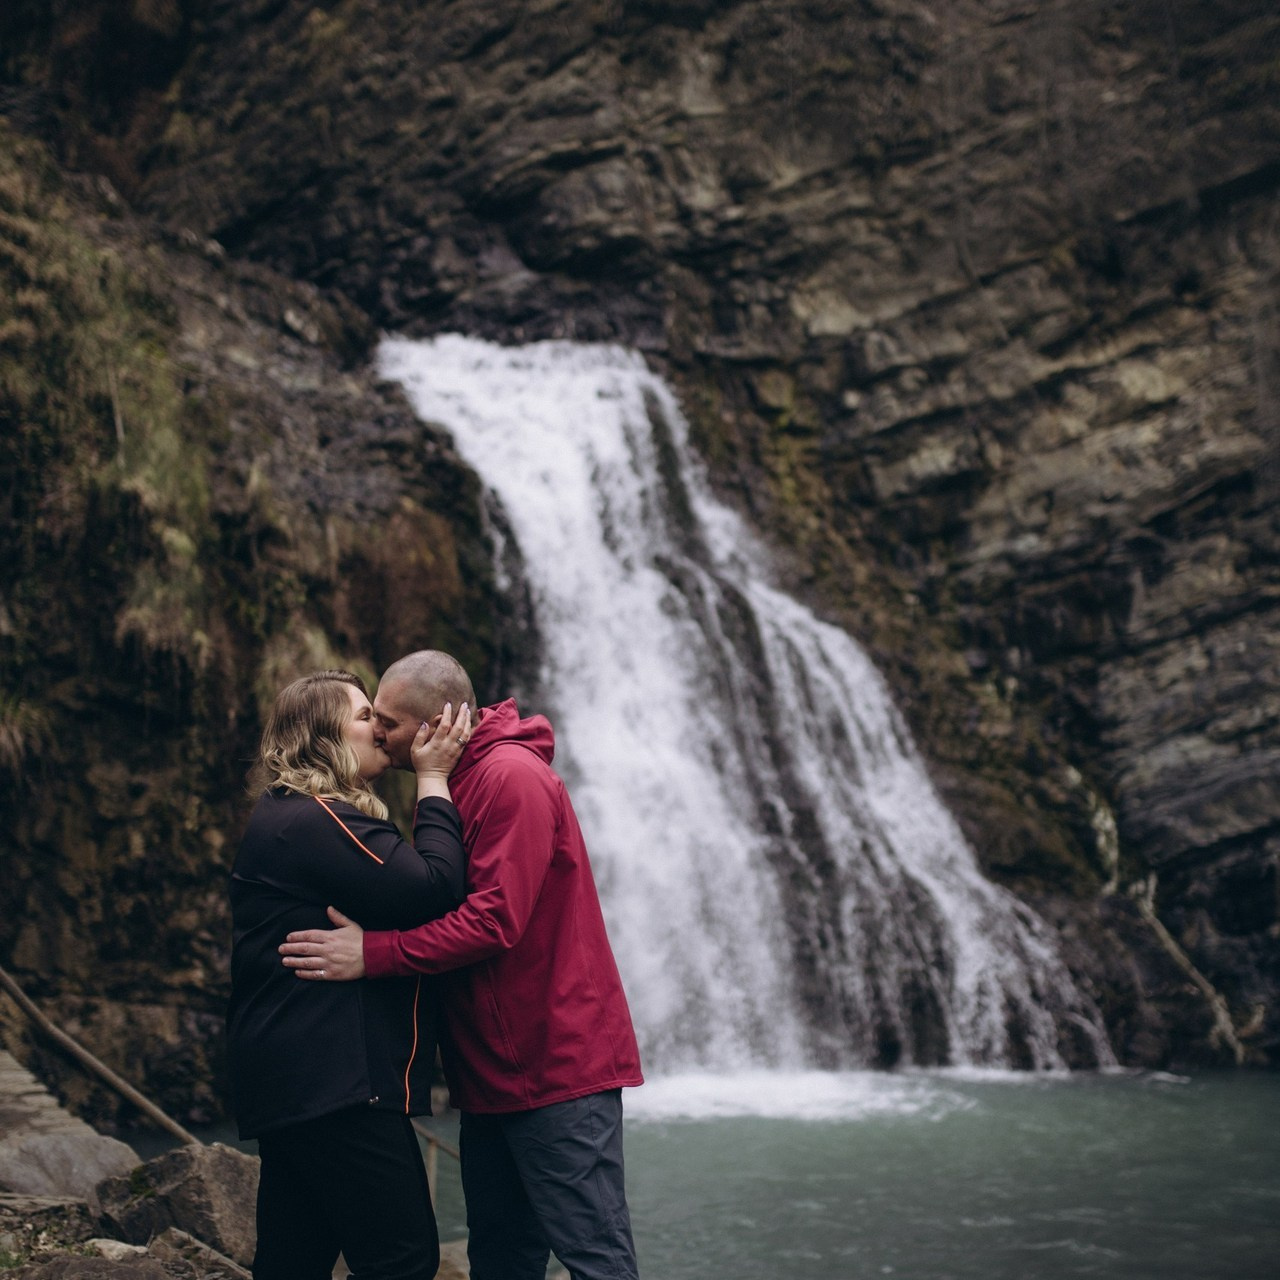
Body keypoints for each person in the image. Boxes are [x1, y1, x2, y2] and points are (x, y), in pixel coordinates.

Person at [279, 650, 644, 1280]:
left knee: (595, 1258)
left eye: (385, 721)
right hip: (492, 1076)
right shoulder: (447, 787)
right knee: (501, 1257)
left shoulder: (511, 779)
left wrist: (372, 955)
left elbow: (494, 921)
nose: (375, 733)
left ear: (433, 725)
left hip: (557, 1069)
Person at [226, 668, 472, 1280]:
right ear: (320, 737)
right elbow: (434, 888)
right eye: (365, 717)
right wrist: (435, 780)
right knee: (403, 1260)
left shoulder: (285, 815)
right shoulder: (315, 818)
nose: (383, 732)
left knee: (294, 1259)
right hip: (336, 1081)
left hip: (296, 1076)